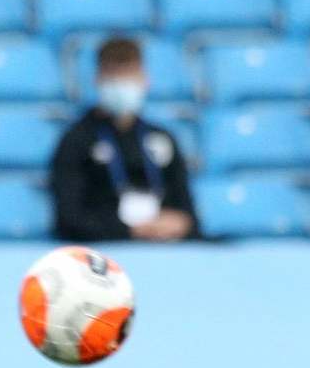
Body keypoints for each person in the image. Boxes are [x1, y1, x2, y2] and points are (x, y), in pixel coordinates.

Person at [49, 37, 199, 244]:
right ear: (98, 79)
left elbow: (188, 215)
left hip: (165, 251)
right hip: (106, 251)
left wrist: (180, 224)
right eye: (114, 77)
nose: (123, 84)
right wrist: (130, 230)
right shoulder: (76, 141)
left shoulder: (163, 138)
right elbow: (68, 219)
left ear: (144, 79)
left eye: (129, 75)